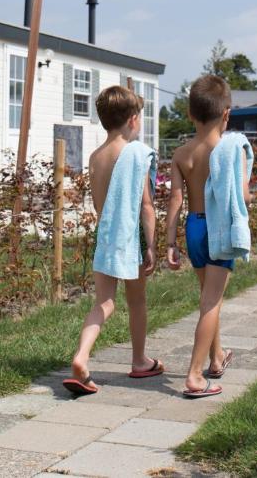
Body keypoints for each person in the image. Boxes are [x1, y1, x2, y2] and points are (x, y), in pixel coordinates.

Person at [63, 85, 162, 396]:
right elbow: (146, 205)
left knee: (104, 303)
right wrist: (151, 244)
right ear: (133, 120)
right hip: (130, 235)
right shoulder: (136, 154)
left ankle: (81, 356)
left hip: (105, 234)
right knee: (137, 301)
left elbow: (98, 204)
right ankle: (139, 360)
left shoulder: (95, 157)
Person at [165, 75, 252, 398]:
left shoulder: (181, 154)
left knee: (207, 296)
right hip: (218, 228)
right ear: (226, 113)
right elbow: (242, 196)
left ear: (190, 114)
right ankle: (194, 376)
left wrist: (170, 242)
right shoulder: (230, 149)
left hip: (193, 228)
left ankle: (217, 357)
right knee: (211, 302)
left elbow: (175, 200)